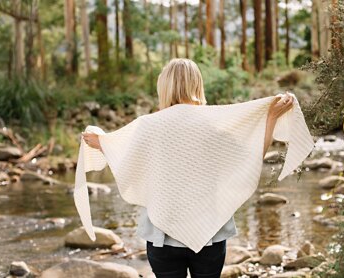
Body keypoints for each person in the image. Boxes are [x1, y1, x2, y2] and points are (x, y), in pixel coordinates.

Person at [81, 58, 294, 278]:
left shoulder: (149, 125)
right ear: (197, 84)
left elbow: (127, 162)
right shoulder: (216, 123)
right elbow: (250, 158)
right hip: (210, 232)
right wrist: (270, 117)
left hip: (162, 236)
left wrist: (102, 144)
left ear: (164, 86)